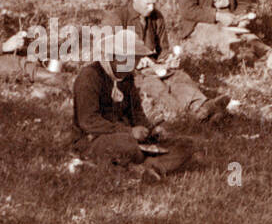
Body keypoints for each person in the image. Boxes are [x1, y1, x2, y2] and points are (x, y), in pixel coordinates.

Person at [70, 26, 194, 182]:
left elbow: (136, 113)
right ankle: (144, 165)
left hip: (130, 138)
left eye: (135, 58)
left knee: (186, 144)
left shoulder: (127, 78)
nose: (134, 64)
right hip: (93, 140)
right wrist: (129, 132)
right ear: (114, 56)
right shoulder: (89, 77)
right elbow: (88, 121)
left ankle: (149, 168)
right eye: (131, 58)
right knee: (126, 145)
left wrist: (151, 129)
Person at [109, 0, 230, 122]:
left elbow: (162, 50)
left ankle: (202, 106)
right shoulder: (118, 17)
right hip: (132, 73)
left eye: (154, 3)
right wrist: (133, 62)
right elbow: (107, 53)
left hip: (156, 68)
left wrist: (169, 59)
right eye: (147, 3)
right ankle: (187, 115)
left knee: (179, 78)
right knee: (155, 86)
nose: (151, 7)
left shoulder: (156, 17)